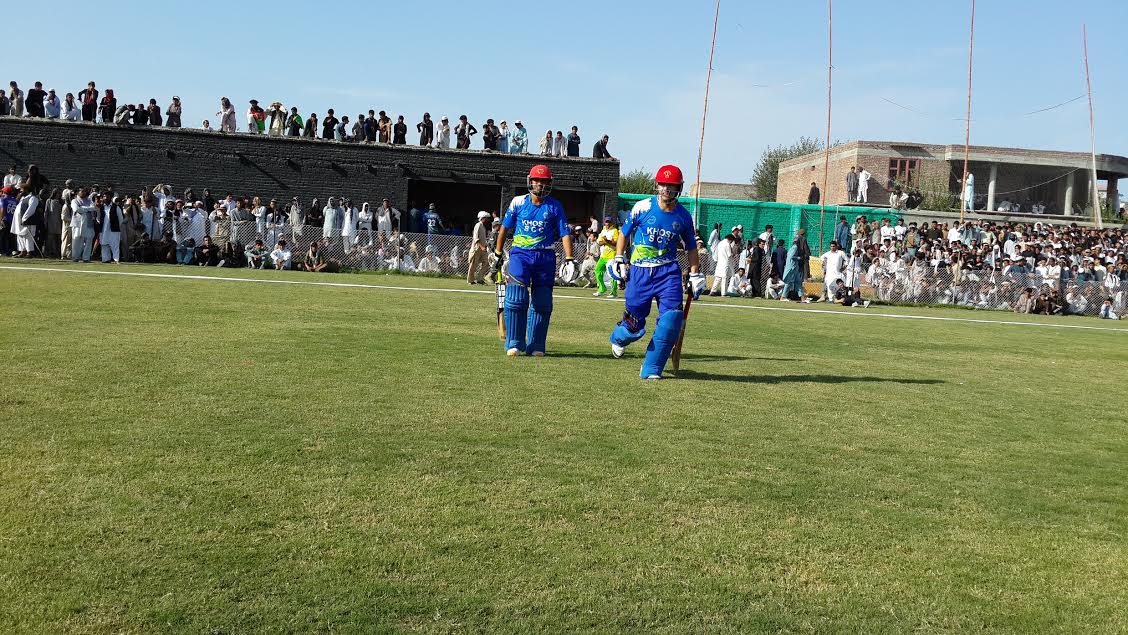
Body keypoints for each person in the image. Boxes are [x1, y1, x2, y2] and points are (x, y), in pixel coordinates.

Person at [607, 165, 704, 379]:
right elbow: (624, 234)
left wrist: (695, 273)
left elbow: (691, 247)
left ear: (679, 188)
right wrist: (619, 257)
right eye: (663, 185)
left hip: (668, 272)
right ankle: (619, 337)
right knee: (633, 325)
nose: (666, 189)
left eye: (672, 186)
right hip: (640, 271)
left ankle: (652, 367)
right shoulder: (642, 207)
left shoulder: (684, 216)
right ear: (657, 185)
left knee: (672, 319)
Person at [489, 164, 575, 357]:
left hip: (545, 256)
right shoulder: (518, 202)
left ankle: (536, 345)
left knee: (542, 302)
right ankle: (514, 342)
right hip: (521, 254)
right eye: (536, 180)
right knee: (516, 299)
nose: (540, 184)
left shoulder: (555, 206)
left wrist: (570, 258)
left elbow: (564, 233)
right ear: (530, 181)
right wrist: (497, 252)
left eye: (544, 181)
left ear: (549, 183)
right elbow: (504, 228)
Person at [593, 216, 621, 298]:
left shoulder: (615, 230)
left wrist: (606, 241)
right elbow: (599, 242)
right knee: (597, 270)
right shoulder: (603, 230)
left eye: (609, 222)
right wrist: (606, 241)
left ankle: (613, 293)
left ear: (611, 223)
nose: (607, 223)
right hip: (603, 255)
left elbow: (615, 243)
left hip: (612, 255)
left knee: (611, 274)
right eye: (606, 222)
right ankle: (602, 289)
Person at [10, 184, 40, 257]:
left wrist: (24, 218)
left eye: (21, 189)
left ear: (26, 190)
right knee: (20, 235)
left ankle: (29, 252)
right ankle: (22, 251)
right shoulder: (22, 198)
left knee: (28, 236)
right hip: (19, 221)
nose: (20, 191)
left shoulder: (33, 198)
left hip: (28, 220)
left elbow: (31, 209)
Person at [782, 229, 811, 300]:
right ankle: (783, 297)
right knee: (789, 282)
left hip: (795, 267)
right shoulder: (794, 248)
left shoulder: (796, 247)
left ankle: (802, 297)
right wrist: (799, 258)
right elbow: (790, 257)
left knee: (798, 282)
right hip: (792, 267)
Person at [70, 188, 97, 262]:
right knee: (76, 240)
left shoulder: (89, 201)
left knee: (89, 240)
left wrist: (83, 208)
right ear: (78, 192)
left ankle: (86, 258)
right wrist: (88, 209)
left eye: (85, 191)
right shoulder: (74, 200)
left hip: (88, 222)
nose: (84, 193)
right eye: (82, 191)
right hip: (77, 223)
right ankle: (75, 257)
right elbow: (76, 209)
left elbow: (94, 208)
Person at [468, 211, 491, 285]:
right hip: (476, 249)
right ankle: (470, 280)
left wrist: (485, 245)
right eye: (486, 218)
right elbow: (475, 238)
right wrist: (481, 246)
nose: (487, 220)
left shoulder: (483, 226)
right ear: (482, 218)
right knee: (473, 265)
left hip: (483, 249)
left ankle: (480, 279)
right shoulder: (478, 225)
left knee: (486, 262)